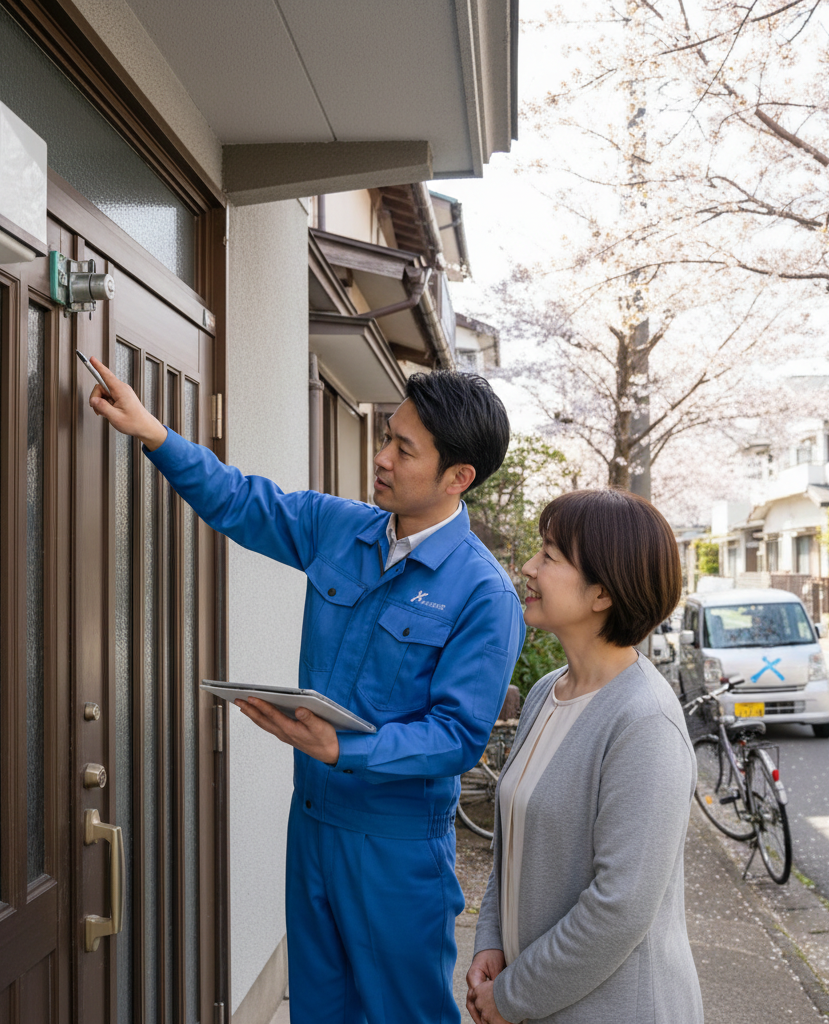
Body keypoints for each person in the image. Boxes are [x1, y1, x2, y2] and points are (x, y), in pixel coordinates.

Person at [87, 360, 526, 1024]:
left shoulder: (483, 594)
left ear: (457, 477)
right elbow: (240, 500)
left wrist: (347, 747)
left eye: (402, 449)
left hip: (396, 848)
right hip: (313, 824)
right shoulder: (338, 528)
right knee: (320, 1011)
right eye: (387, 435)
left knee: (401, 1015)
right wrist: (154, 433)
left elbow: (458, 737)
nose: (380, 457)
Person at [466, 488, 703, 1024]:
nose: (528, 567)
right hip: (540, 999)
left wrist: (511, 995)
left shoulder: (645, 723)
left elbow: (619, 907)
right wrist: (490, 941)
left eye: (548, 556)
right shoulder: (549, 692)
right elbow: (515, 841)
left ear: (602, 593)